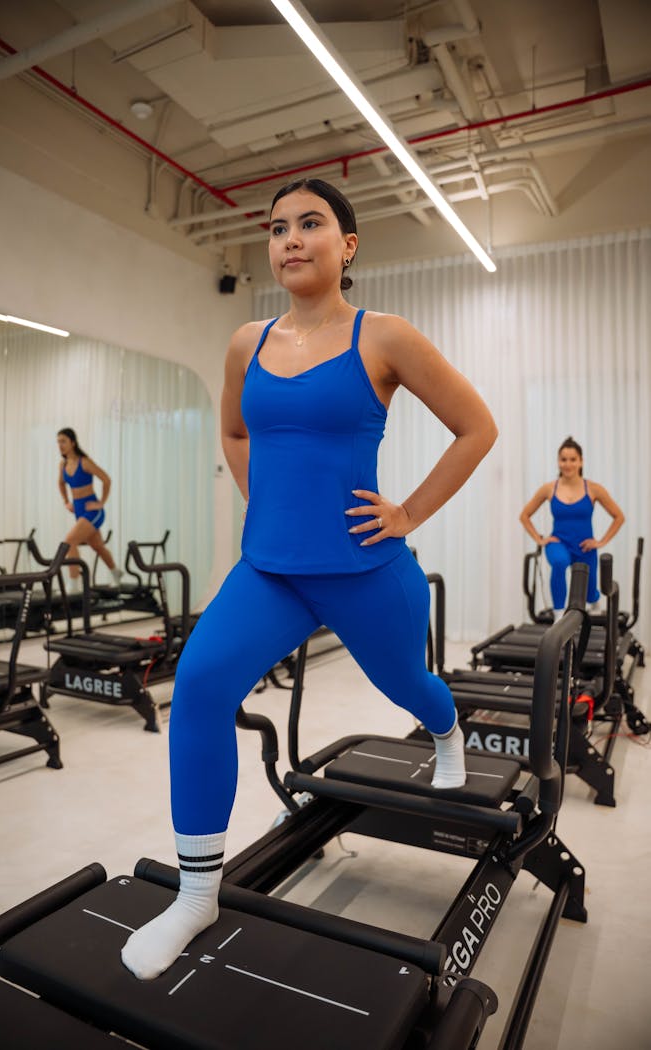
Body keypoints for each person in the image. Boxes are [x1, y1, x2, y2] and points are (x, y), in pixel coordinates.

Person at [121, 177, 498, 981]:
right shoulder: (245, 342)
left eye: (311, 224)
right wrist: (271, 505)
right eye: (277, 227)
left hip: (365, 569)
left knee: (410, 685)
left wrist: (408, 514)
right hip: (269, 572)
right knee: (198, 689)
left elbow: (476, 427)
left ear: (347, 244)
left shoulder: (383, 336)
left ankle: (446, 730)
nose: (291, 238)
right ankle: (196, 892)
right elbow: (232, 427)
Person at [519, 436, 625, 618]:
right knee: (559, 562)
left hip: (585, 546)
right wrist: (539, 539)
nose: (567, 464)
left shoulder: (593, 489)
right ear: (558, 462)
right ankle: (559, 616)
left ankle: (594, 601)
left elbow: (618, 517)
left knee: (590, 592)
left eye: (572, 459)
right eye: (563, 459)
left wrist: (600, 542)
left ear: (581, 461)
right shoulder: (549, 489)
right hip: (558, 543)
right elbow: (525, 515)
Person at [57, 428, 121, 591]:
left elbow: (106, 479)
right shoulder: (63, 465)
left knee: (69, 542)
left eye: (63, 441)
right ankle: (116, 572)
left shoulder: (84, 462)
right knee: (97, 546)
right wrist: (66, 501)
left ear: (73, 442)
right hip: (79, 511)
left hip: (92, 510)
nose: (60, 445)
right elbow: (61, 483)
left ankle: (74, 584)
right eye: (58, 442)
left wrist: (101, 502)